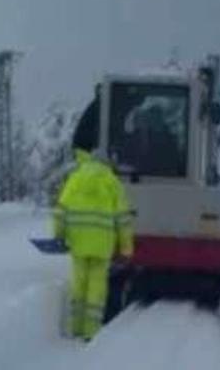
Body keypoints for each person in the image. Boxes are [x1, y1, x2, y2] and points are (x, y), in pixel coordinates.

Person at [53, 147, 134, 342]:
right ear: (106, 163)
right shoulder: (112, 182)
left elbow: (61, 210)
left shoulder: (75, 178)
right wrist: (126, 248)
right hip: (101, 245)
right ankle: (91, 332)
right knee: (96, 287)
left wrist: (59, 235)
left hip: (78, 242)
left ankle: (75, 328)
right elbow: (123, 219)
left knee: (78, 284)